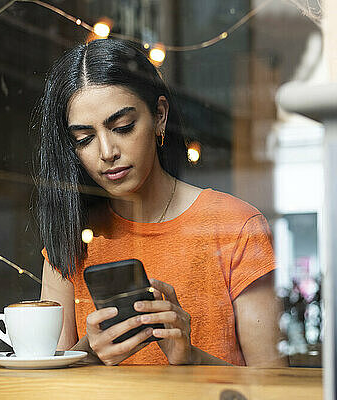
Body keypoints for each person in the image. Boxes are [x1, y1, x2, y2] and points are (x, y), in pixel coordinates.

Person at [34, 38, 286, 367]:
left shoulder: (235, 225)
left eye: (123, 128)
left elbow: (273, 384)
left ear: (160, 117)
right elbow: (48, 386)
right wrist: (90, 353)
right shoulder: (72, 236)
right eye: (85, 139)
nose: (107, 152)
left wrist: (191, 357)